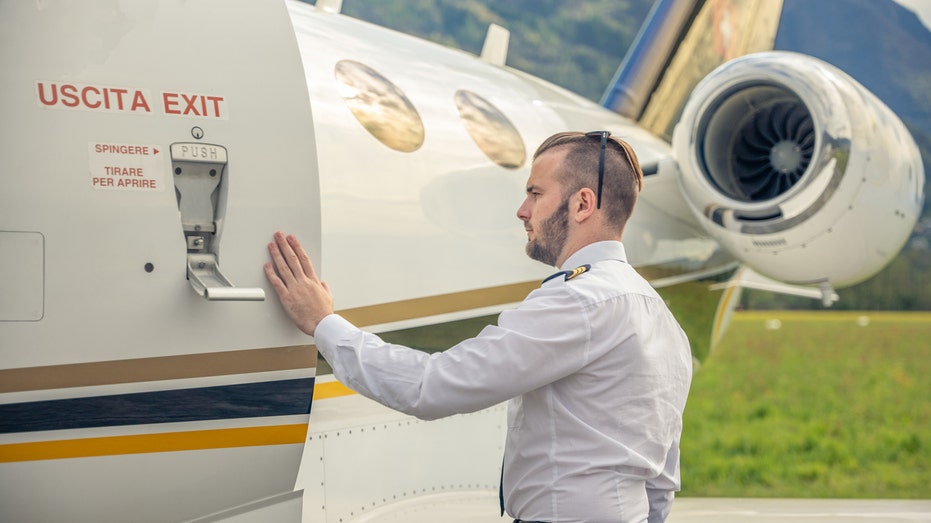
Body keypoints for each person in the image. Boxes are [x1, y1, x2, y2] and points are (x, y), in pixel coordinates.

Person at [264, 131, 693, 523]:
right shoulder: (662, 319)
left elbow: (431, 387)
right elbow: (660, 480)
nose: (522, 211)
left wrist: (323, 323)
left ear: (582, 204)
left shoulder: (577, 301)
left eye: (535, 193)